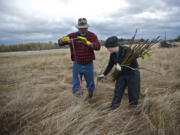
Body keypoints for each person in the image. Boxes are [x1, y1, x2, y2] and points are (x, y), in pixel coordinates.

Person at [58, 18, 101, 99]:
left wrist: (88, 43)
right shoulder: (72, 36)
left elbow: (98, 46)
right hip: (77, 65)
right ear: (78, 28)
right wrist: (62, 40)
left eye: (84, 28)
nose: (82, 30)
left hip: (88, 64)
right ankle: (78, 100)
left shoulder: (92, 35)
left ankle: (90, 97)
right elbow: (60, 43)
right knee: (76, 83)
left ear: (87, 27)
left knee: (90, 83)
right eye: (81, 28)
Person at [97, 36, 140, 110]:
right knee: (118, 90)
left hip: (132, 73)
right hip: (121, 74)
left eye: (108, 48)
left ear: (113, 46)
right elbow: (110, 65)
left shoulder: (127, 50)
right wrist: (104, 74)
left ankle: (133, 109)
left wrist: (122, 67)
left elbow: (134, 64)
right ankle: (114, 107)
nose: (107, 49)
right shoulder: (113, 54)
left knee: (133, 92)